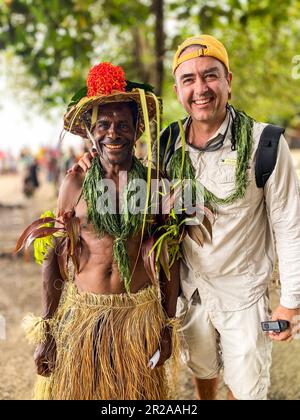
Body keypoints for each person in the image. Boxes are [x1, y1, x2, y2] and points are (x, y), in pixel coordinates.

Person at [74, 36, 300, 400]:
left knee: (246, 387)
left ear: (229, 79)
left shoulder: (265, 144)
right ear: (178, 89)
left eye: (210, 76)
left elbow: (291, 226)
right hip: (190, 291)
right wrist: (92, 164)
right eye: (188, 80)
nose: (200, 89)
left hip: (242, 293)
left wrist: (290, 301)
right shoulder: (167, 144)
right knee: (202, 368)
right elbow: (135, 186)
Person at [16, 62, 181, 400]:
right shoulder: (75, 182)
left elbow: (169, 260)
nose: (113, 133)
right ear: (90, 133)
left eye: (123, 124)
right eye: (103, 124)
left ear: (137, 130)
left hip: (138, 317)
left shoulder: (156, 184)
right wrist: (47, 332)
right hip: (84, 317)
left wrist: (167, 326)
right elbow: (54, 258)